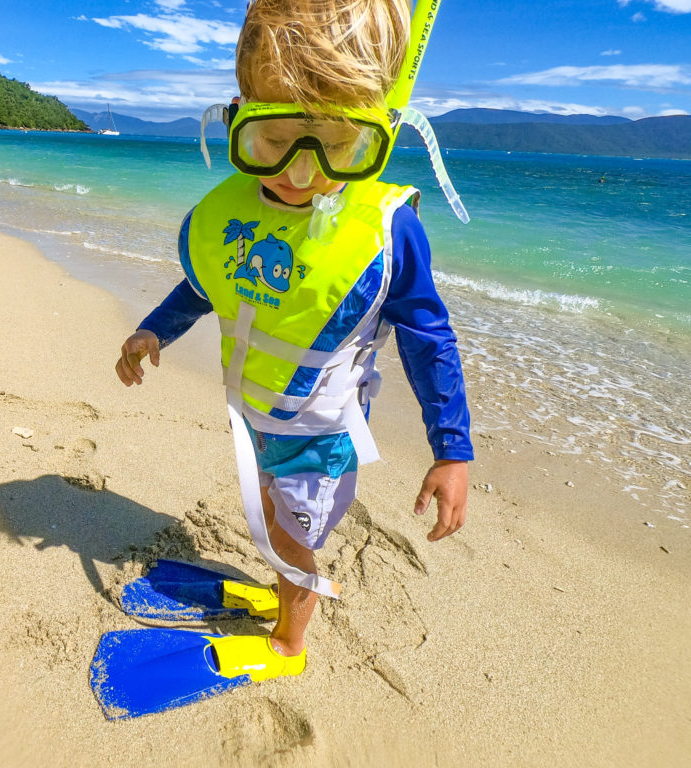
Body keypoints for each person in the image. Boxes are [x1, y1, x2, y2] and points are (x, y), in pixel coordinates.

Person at [114, 0, 472, 679]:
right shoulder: (229, 217)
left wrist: (451, 449)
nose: (300, 173)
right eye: (274, 140)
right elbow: (207, 286)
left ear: (378, 134)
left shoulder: (387, 231)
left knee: (289, 532)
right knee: (277, 518)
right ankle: (283, 583)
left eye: (338, 145)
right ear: (237, 119)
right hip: (256, 417)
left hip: (321, 434)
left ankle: (290, 644)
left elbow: (429, 336)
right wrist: (151, 331)